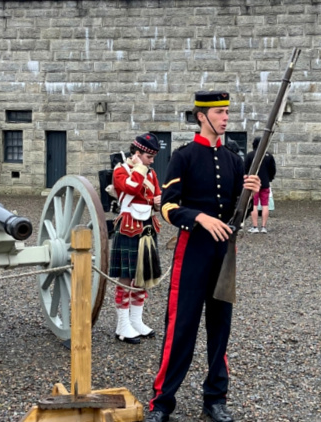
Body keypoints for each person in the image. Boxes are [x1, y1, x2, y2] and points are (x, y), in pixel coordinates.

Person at [147, 91, 260, 422]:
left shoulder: (234, 160)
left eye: (227, 112)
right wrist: (198, 217)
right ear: (201, 116)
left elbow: (238, 212)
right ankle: (162, 401)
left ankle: (215, 398)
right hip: (192, 250)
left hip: (224, 252)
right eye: (220, 112)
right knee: (180, 327)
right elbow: (167, 205)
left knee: (220, 328)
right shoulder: (183, 157)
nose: (226, 118)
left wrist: (249, 194)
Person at [109, 133, 163, 344]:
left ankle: (136, 321)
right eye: (148, 157)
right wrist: (140, 168)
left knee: (143, 275)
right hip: (129, 226)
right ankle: (122, 325)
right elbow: (130, 187)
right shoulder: (121, 170)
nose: (152, 161)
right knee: (126, 277)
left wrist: (158, 201)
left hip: (147, 225)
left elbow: (156, 197)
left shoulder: (151, 173)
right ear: (137, 153)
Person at [245, 136, 277, 234]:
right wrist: (269, 179)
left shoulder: (250, 155)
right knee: (265, 205)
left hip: (253, 184)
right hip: (265, 183)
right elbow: (273, 170)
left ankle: (255, 227)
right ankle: (263, 227)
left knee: (253, 205)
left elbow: (245, 169)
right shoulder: (269, 156)